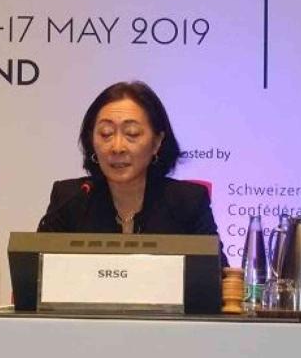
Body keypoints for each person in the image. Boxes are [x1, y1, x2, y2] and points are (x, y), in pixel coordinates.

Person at [37, 81, 227, 265]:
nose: (117, 147)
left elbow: (217, 279)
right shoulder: (71, 199)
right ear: (91, 140)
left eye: (132, 133)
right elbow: (37, 274)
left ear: (157, 142)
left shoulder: (188, 202)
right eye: (105, 133)